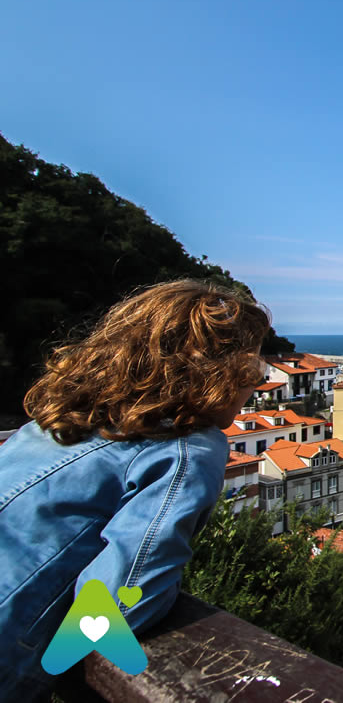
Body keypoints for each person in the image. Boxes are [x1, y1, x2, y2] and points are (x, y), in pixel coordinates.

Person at [0, 280, 270, 699]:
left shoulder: (50, 423)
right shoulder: (185, 448)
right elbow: (116, 607)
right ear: (217, 374)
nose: (257, 383)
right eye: (251, 369)